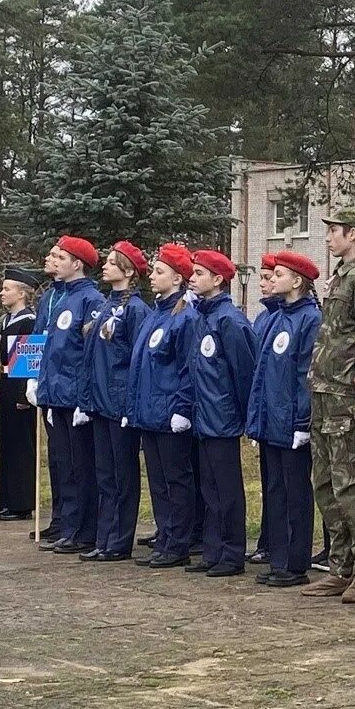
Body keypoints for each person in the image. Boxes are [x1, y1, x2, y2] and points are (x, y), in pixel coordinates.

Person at [303, 208, 355, 604]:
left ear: (353, 235)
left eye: (334, 232)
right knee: (325, 484)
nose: (329, 238)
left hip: (345, 398)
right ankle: (341, 567)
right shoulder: (341, 275)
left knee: (351, 485)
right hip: (323, 393)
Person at [246, 250, 322, 588]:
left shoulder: (310, 319)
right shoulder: (276, 317)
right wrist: (256, 420)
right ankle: (277, 558)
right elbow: (263, 375)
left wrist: (302, 423)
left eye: (278, 275)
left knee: (295, 493)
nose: (272, 280)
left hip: (291, 424)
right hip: (271, 422)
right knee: (274, 491)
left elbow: (306, 375)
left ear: (297, 281)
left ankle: (295, 563)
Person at [128, 244, 200, 569]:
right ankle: (165, 536)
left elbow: (188, 368)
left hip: (170, 413)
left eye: (159, 271)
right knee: (158, 482)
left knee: (176, 480)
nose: (152, 276)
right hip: (149, 413)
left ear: (177, 277)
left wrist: (182, 410)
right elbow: (140, 366)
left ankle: (178, 542)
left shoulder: (185, 317)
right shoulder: (155, 314)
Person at [186, 249, 256, 578]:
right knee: (209, 489)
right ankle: (213, 550)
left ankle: (232, 552)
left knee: (227, 490)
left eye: (199, 273)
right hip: (204, 417)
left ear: (217, 280)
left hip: (223, 417)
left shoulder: (230, 320)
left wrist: (244, 417)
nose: (191, 278)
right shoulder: (202, 317)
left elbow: (243, 373)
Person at [33, 236, 105, 554]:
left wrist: (84, 399)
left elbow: (88, 354)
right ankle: (69, 525)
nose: (56, 261)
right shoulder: (60, 298)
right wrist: (42, 387)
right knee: (64, 464)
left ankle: (84, 530)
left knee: (81, 465)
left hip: (75, 395)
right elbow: (52, 350)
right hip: (57, 394)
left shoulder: (90, 300)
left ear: (77, 264)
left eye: (62, 257)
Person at [80, 242, 151, 561]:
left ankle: (120, 540)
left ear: (128, 271)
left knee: (122, 476)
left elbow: (137, 360)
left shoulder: (135, 309)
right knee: (105, 474)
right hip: (99, 401)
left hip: (119, 403)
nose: (104, 266)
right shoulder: (108, 305)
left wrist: (130, 405)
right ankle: (105, 536)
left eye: (111, 262)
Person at [0, 267, 42, 521]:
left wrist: (24, 395)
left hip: (20, 385)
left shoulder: (28, 321)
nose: (2, 293)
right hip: (6, 382)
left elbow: (29, 360)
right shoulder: (7, 320)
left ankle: (21, 502)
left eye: (7, 289)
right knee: (7, 443)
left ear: (22, 293)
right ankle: (7, 499)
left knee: (21, 445)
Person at [246, 252, 279, 565]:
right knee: (269, 482)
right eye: (264, 278)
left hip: (282, 415)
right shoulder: (263, 317)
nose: (265, 284)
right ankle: (267, 539)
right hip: (266, 411)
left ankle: (277, 542)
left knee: (283, 484)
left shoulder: (287, 316)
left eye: (270, 278)